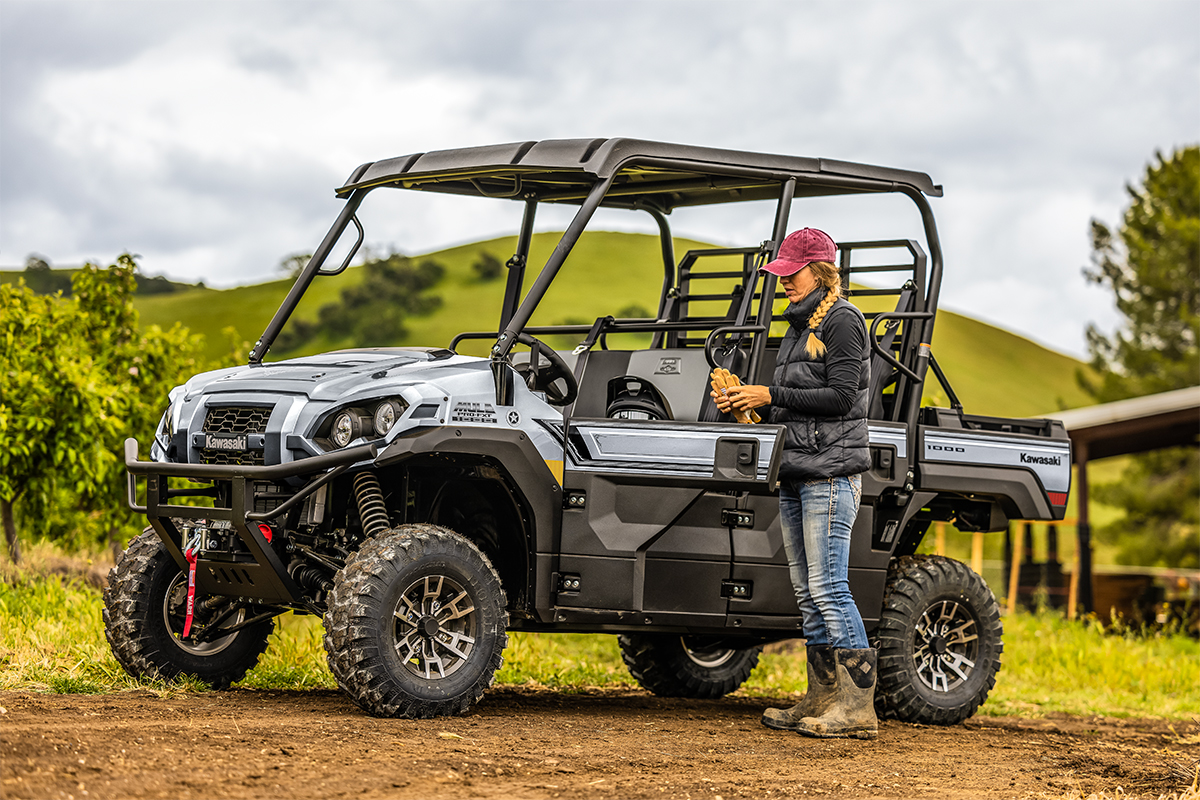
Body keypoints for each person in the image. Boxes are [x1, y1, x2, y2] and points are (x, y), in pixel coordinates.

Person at [710, 227, 876, 740]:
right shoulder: (800, 326)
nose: (783, 282)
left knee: (829, 588)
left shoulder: (844, 321)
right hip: (799, 469)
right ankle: (823, 697)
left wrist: (768, 391)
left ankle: (858, 709)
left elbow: (843, 398)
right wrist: (748, 400)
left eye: (791, 273)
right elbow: (796, 399)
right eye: (780, 274)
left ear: (820, 272)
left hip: (830, 474)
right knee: (808, 593)